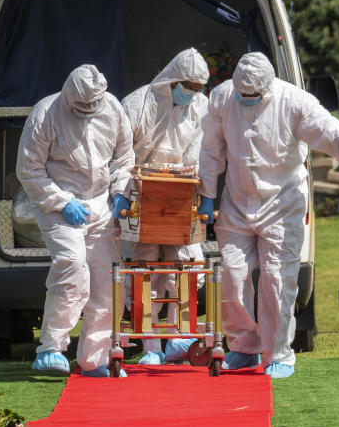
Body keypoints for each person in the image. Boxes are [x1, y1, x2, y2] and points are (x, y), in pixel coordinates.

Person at [198, 52, 339, 379]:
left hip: (282, 207)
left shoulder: (296, 102)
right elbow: (211, 150)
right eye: (242, 93)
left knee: (276, 281)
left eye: (252, 96)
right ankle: (243, 345)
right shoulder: (224, 96)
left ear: (268, 88)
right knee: (233, 277)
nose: (246, 100)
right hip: (238, 204)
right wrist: (206, 195)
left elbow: (333, 134)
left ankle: (279, 354)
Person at [16, 64, 135, 378]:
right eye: (81, 108)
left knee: (108, 281)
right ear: (69, 96)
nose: (87, 112)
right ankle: (51, 348)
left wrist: (121, 191)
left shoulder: (112, 110)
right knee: (71, 265)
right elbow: (29, 170)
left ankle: (93, 359)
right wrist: (62, 201)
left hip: (100, 203)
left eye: (91, 107)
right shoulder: (46, 114)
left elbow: (124, 156)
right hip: (58, 204)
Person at [120, 48, 210, 365]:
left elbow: (200, 153)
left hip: (180, 197)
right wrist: (128, 185)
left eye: (197, 88)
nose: (192, 93)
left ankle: (179, 338)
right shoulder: (137, 104)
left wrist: (193, 185)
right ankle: (151, 346)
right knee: (144, 270)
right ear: (172, 79)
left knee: (185, 266)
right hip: (139, 195)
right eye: (188, 86)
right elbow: (120, 151)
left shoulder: (200, 107)